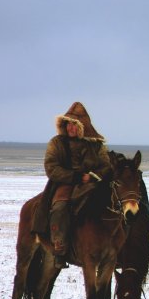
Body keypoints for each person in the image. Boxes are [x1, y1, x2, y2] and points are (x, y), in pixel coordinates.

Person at [32, 102, 112, 268]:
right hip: (65, 183)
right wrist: (74, 176)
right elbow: (51, 167)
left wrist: (92, 177)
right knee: (60, 207)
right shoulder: (57, 143)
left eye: (74, 124)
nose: (70, 128)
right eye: (68, 123)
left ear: (82, 127)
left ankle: (112, 245)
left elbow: (106, 166)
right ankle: (59, 245)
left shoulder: (96, 145)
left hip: (91, 183)